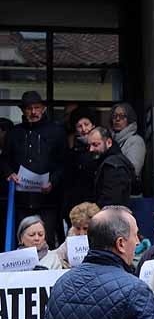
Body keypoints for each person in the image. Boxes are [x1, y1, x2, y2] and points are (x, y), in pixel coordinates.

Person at [4, 91, 65, 248]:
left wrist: (53, 181)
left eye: (37, 107)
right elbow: (4, 159)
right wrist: (9, 173)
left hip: (47, 200)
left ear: (43, 108)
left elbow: (63, 163)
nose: (33, 112)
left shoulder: (56, 131)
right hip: (21, 200)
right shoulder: (14, 133)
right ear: (23, 110)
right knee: (21, 243)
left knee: (47, 241)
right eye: (29, 108)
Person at [62, 108, 98, 227]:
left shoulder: (103, 147)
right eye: (79, 126)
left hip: (97, 204)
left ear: (93, 125)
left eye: (86, 124)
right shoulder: (72, 153)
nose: (84, 129)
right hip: (77, 207)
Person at [87, 127, 134, 208]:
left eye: (95, 145)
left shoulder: (113, 166)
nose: (91, 149)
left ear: (109, 142)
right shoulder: (109, 162)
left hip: (111, 217)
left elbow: (111, 201)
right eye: (89, 145)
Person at [55, 201, 100, 268]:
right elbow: (57, 256)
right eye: (78, 228)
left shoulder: (103, 239)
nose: (81, 233)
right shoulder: (71, 238)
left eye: (85, 228)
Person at [110, 102, 146, 183]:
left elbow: (133, 170)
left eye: (122, 116)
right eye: (114, 116)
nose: (117, 119)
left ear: (129, 119)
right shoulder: (111, 140)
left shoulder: (136, 141)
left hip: (129, 192)